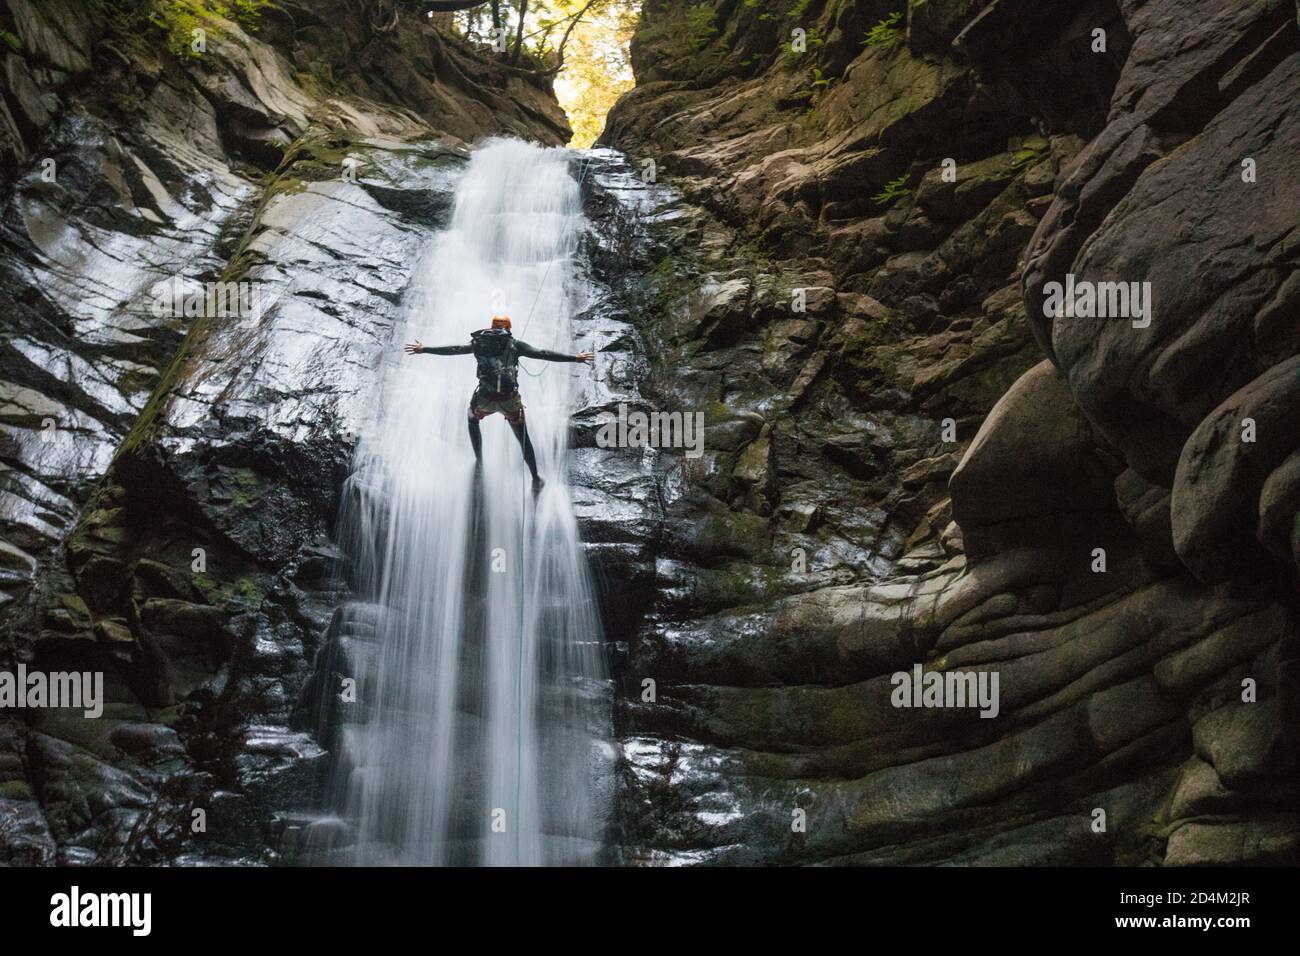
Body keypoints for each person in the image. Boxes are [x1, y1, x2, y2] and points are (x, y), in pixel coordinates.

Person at [405, 315, 593, 493]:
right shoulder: (515, 345)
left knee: (472, 417)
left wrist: (425, 349)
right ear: (508, 329)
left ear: (492, 326)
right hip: (509, 400)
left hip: (485, 399)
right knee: (523, 439)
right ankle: (536, 479)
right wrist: (575, 358)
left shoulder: (479, 343)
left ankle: (479, 461)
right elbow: (543, 354)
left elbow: (454, 349)